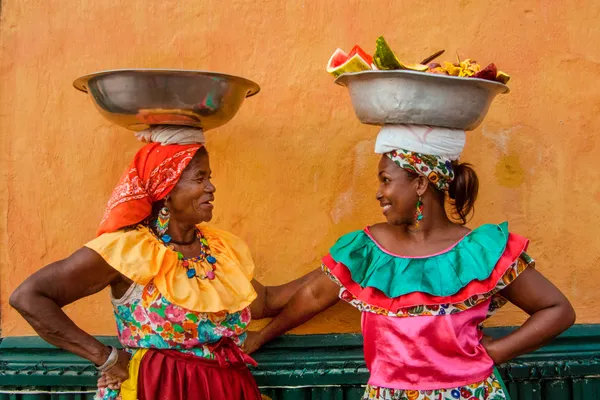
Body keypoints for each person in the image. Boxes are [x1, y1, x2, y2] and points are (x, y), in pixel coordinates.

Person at [243, 125, 576, 400]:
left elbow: (557, 309)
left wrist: (496, 352)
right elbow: (314, 295)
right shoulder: (368, 248)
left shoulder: (478, 251)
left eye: (386, 180)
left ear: (420, 183)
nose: (378, 192)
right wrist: (263, 336)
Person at [10, 126, 317, 399]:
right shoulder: (129, 250)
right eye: (200, 178)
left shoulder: (218, 248)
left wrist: (337, 271)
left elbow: (264, 302)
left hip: (226, 387)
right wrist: (105, 358)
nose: (211, 188)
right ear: (166, 192)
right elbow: (29, 297)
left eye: (209, 177)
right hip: (158, 387)